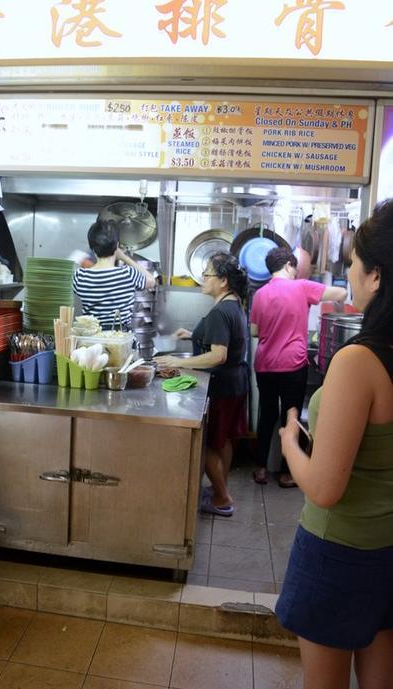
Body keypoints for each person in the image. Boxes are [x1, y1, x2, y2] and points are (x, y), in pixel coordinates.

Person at [276, 199, 393, 689]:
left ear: (377, 277)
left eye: (353, 265)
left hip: (339, 552)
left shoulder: (359, 364)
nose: (348, 274)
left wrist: (290, 446)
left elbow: (325, 488)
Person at [155, 252, 249, 517]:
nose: (203, 278)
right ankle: (222, 488)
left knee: (208, 445)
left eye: (208, 274)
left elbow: (218, 354)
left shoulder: (221, 311)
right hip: (235, 383)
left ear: (223, 281)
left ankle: (222, 498)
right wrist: (192, 334)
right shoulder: (234, 303)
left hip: (221, 386)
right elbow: (221, 340)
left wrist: (178, 361)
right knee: (224, 441)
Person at [250, 247, 347, 487]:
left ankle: (260, 469)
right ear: (287, 266)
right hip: (293, 363)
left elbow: (254, 332)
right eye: (294, 268)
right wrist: (338, 305)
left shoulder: (260, 294)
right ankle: (287, 473)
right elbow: (342, 292)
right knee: (291, 416)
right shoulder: (302, 287)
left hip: (265, 364)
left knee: (267, 415)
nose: (295, 272)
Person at [73, 219, 156, 330]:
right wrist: (124, 257)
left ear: (92, 248)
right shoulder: (128, 274)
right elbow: (151, 280)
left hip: (92, 340)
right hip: (120, 340)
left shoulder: (80, 277)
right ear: (117, 245)